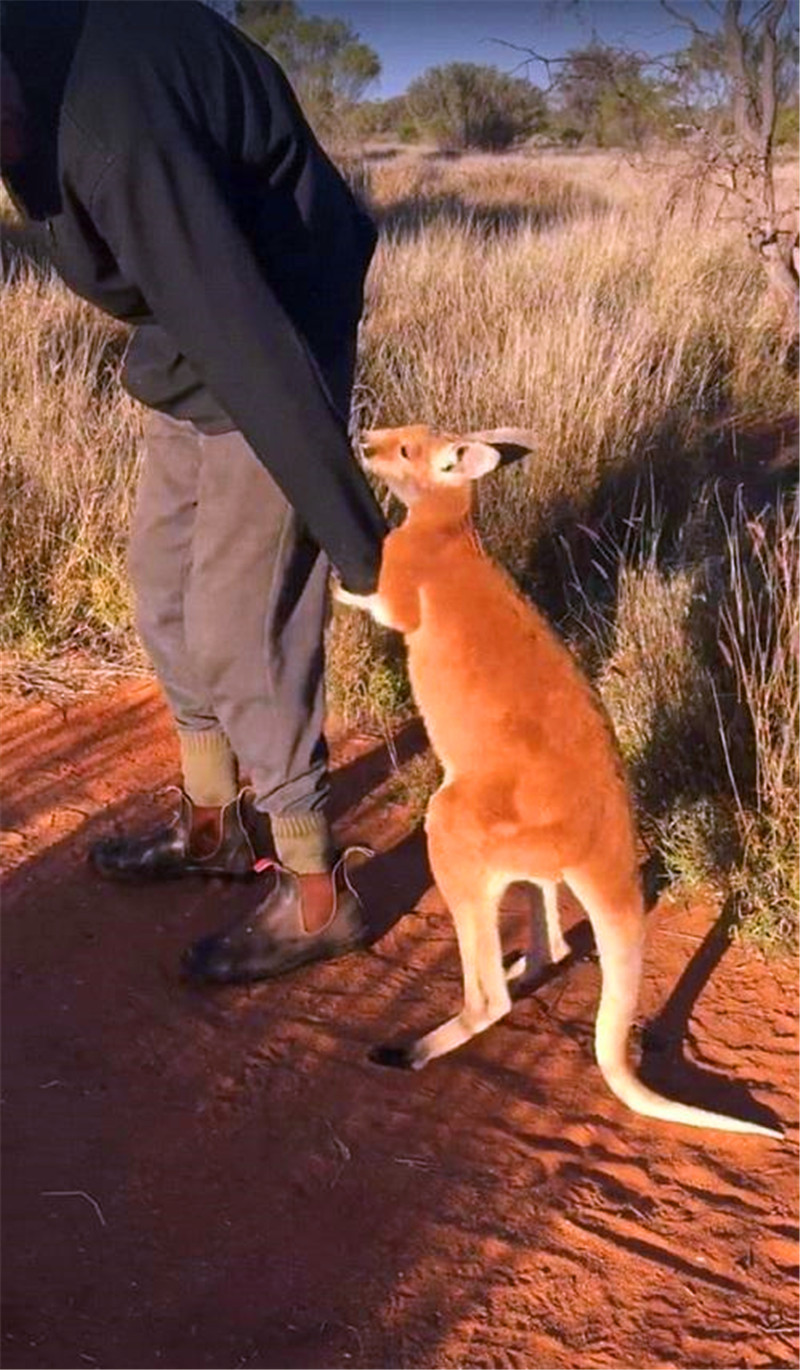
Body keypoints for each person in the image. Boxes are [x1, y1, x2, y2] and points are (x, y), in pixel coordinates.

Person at [1, 0, 388, 982]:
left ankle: (314, 888)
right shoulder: (35, 68)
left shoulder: (112, 133)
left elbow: (250, 340)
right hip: (192, 321)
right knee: (160, 586)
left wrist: (355, 541)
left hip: (272, 319)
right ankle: (211, 821)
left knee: (237, 624)